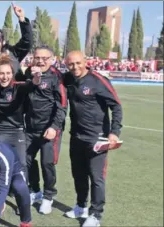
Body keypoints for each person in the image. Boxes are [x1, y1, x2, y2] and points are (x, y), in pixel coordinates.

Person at [62, 51, 123, 227]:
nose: (75, 67)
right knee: (78, 174)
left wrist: (114, 132)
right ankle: (81, 206)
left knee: (96, 178)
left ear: (85, 62)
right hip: (76, 137)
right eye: (71, 64)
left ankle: (96, 214)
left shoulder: (98, 80)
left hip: (97, 139)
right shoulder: (68, 78)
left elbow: (116, 106)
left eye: (78, 63)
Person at [0, 55, 41, 178]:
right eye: (1, 73)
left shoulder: (19, 87)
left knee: (21, 165)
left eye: (8, 73)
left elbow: (33, 84)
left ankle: (21, 192)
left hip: (16, 132)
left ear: (13, 74)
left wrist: (37, 77)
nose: (5, 77)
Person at [22, 46, 67, 214]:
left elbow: (62, 105)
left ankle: (48, 196)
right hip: (30, 128)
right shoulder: (29, 73)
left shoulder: (57, 77)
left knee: (47, 163)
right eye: (37, 57)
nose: (40, 61)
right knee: (26, 160)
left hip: (49, 129)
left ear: (53, 59)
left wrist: (54, 127)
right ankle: (35, 191)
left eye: (44, 58)